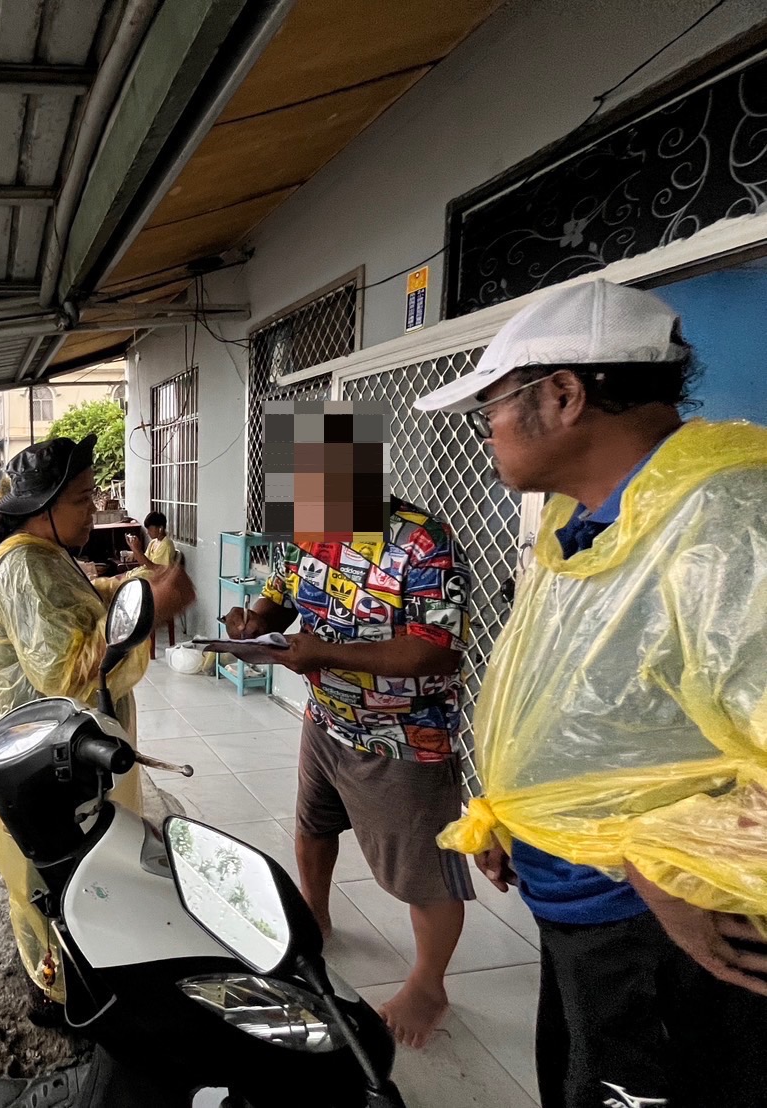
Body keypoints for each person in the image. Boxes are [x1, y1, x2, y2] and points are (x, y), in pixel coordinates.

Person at [412, 277, 767, 1108]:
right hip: (581, 905)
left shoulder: (725, 521)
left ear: (564, 395)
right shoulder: (583, 524)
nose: (486, 434)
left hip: (672, 928)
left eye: (489, 410)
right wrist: (513, 810)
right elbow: (580, 705)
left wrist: (664, 869)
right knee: (576, 1082)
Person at [223, 497, 474, 1049]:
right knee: (313, 826)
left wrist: (329, 655)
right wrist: (253, 623)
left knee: (423, 874)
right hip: (326, 720)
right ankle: (315, 918)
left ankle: (429, 986)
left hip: (405, 739)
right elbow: (280, 595)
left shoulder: (423, 544)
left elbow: (437, 653)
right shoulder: (311, 528)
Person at [0, 435, 195, 1025]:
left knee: (81, 870)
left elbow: (86, 601)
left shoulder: (43, 557)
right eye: (80, 499)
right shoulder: (23, 566)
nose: (92, 508)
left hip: (59, 756)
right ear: (41, 506)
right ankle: (63, 995)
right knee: (55, 882)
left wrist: (131, 589)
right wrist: (152, 609)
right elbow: (65, 673)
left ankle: (73, 975)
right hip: (39, 765)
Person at [127, 511, 178, 655]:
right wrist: (134, 550)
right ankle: (132, 630)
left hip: (158, 583)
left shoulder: (167, 544)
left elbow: (155, 568)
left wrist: (136, 549)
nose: (148, 532)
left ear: (160, 528)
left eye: (150, 528)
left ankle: (136, 629)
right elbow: (145, 564)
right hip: (148, 577)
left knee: (131, 585)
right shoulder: (154, 543)